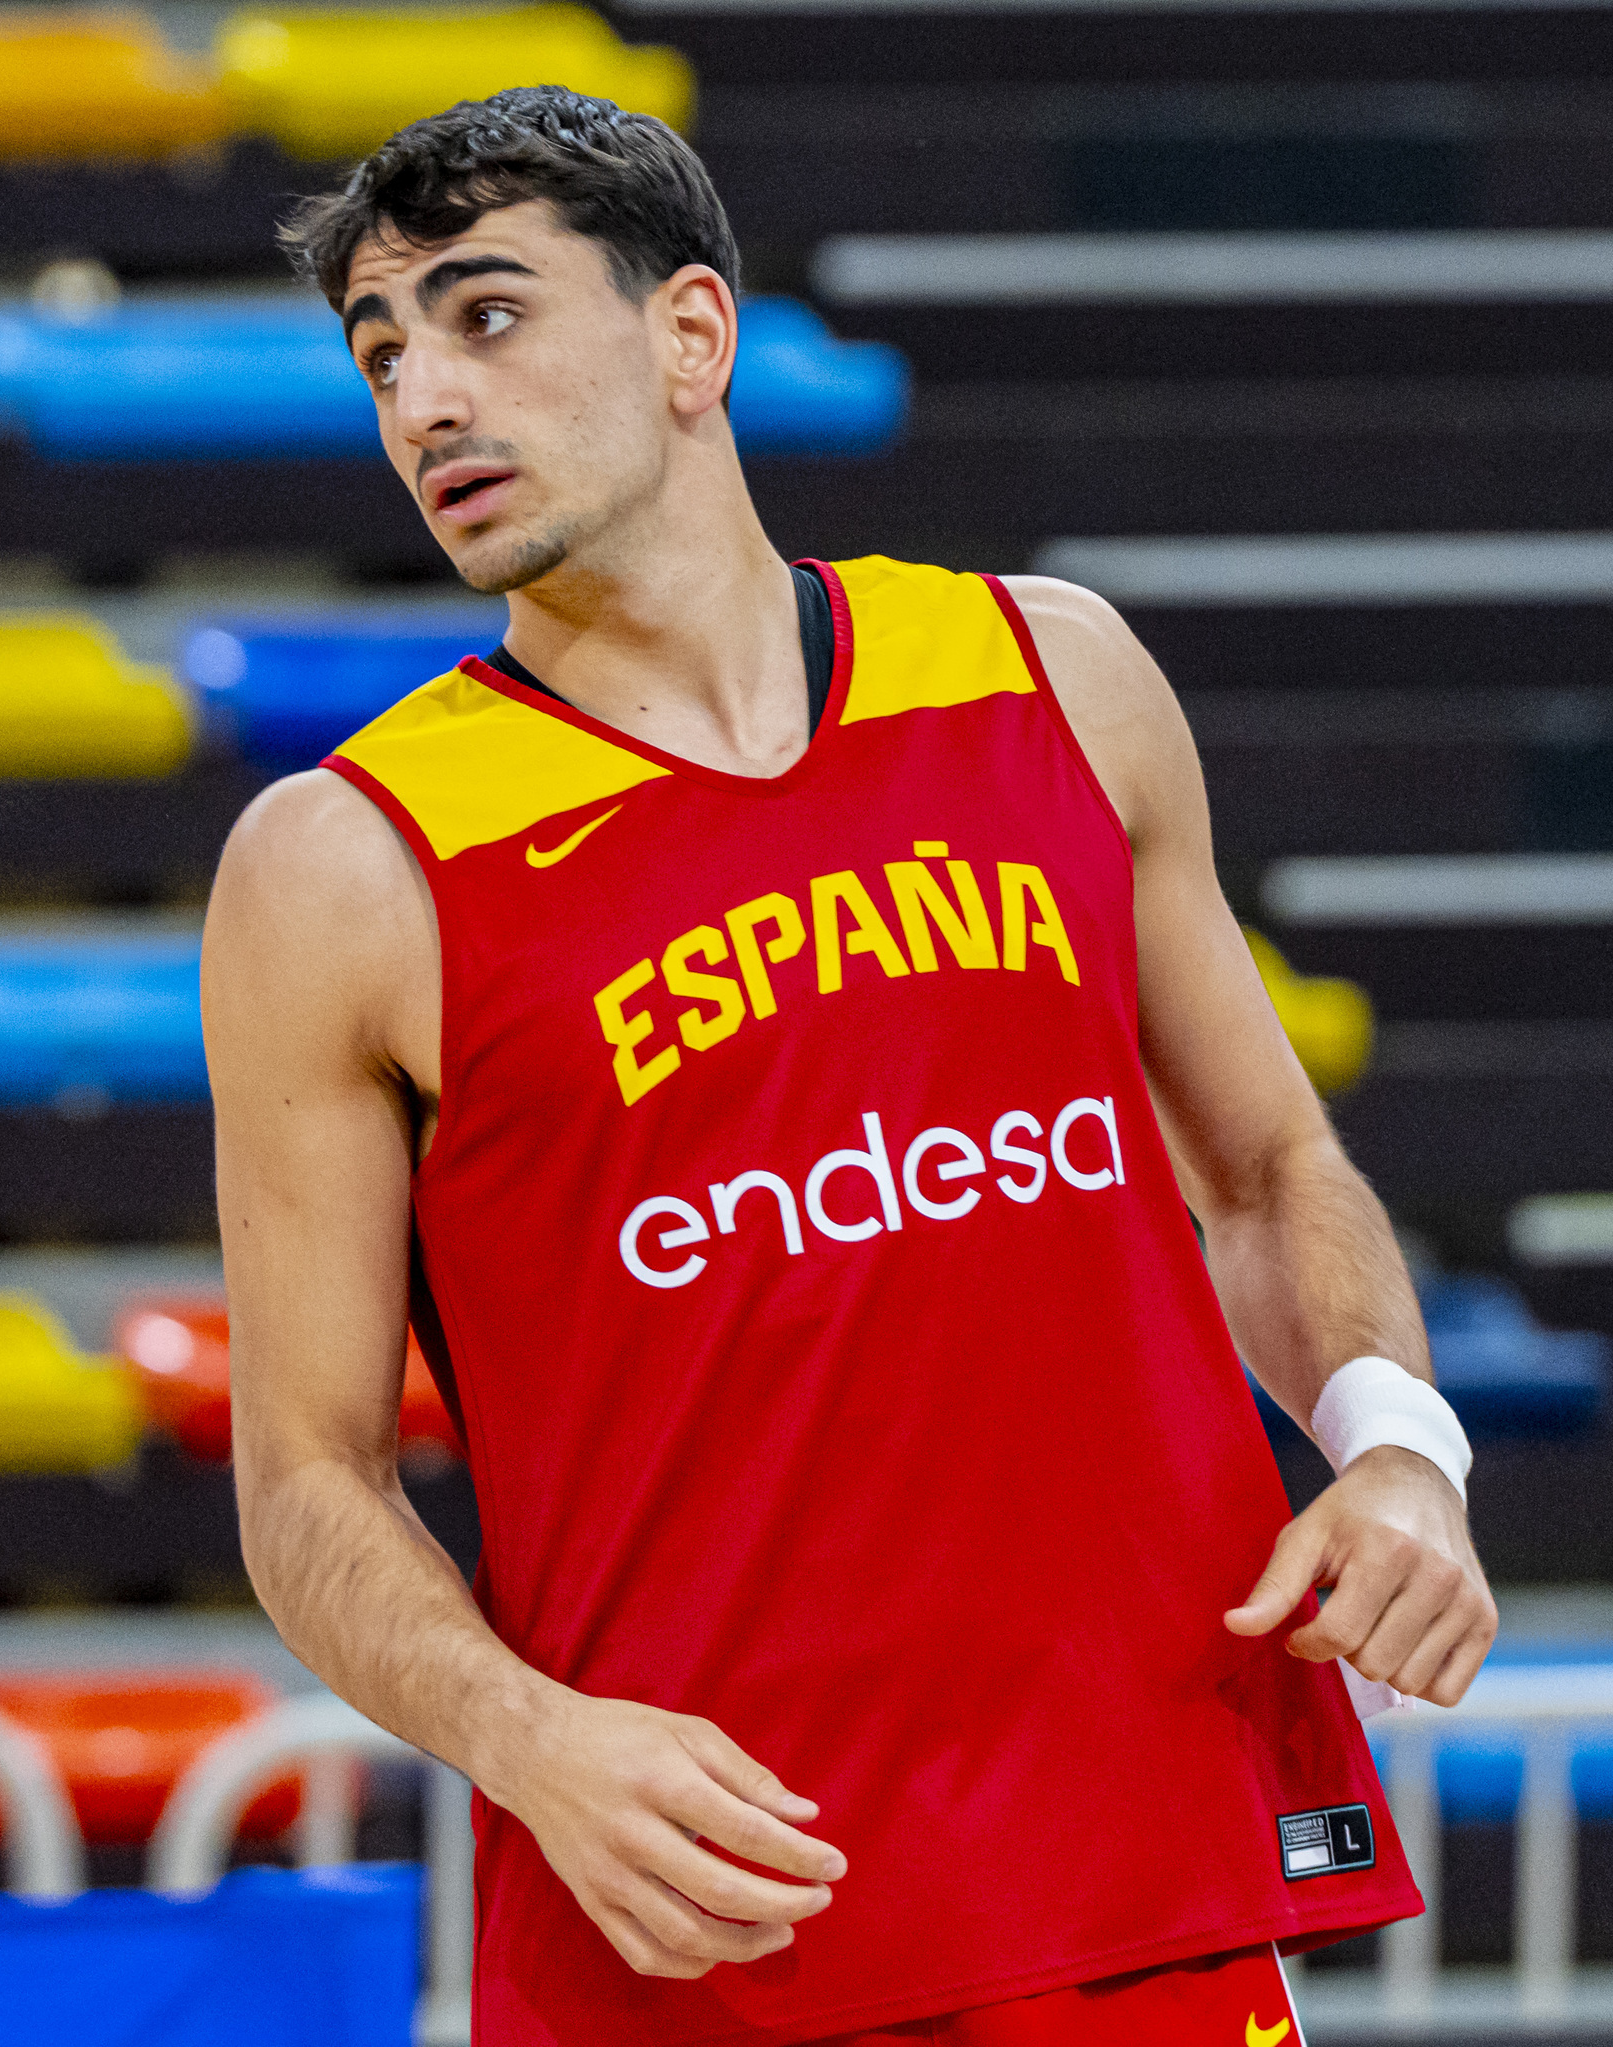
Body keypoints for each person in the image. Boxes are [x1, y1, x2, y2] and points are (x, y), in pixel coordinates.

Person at [199, 86, 1497, 2046]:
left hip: (1132, 1862)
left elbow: (1260, 1170)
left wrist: (1400, 1439)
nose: (424, 401)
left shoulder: (1049, 673)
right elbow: (306, 1477)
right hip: (709, 1914)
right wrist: (533, 1745)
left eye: (483, 317)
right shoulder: (345, 864)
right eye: (380, 352)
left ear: (691, 336)